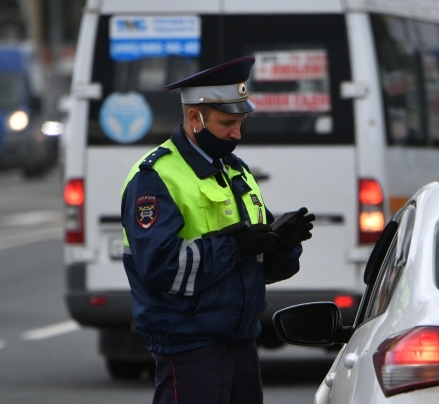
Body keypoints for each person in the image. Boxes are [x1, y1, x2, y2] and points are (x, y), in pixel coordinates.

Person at [120, 56, 315, 404]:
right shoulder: (155, 177)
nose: (237, 134)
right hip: (190, 342)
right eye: (227, 123)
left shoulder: (235, 171)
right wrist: (233, 247)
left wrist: (281, 244)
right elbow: (160, 267)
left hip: (238, 338)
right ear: (194, 118)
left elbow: (255, 266)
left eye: (241, 123)